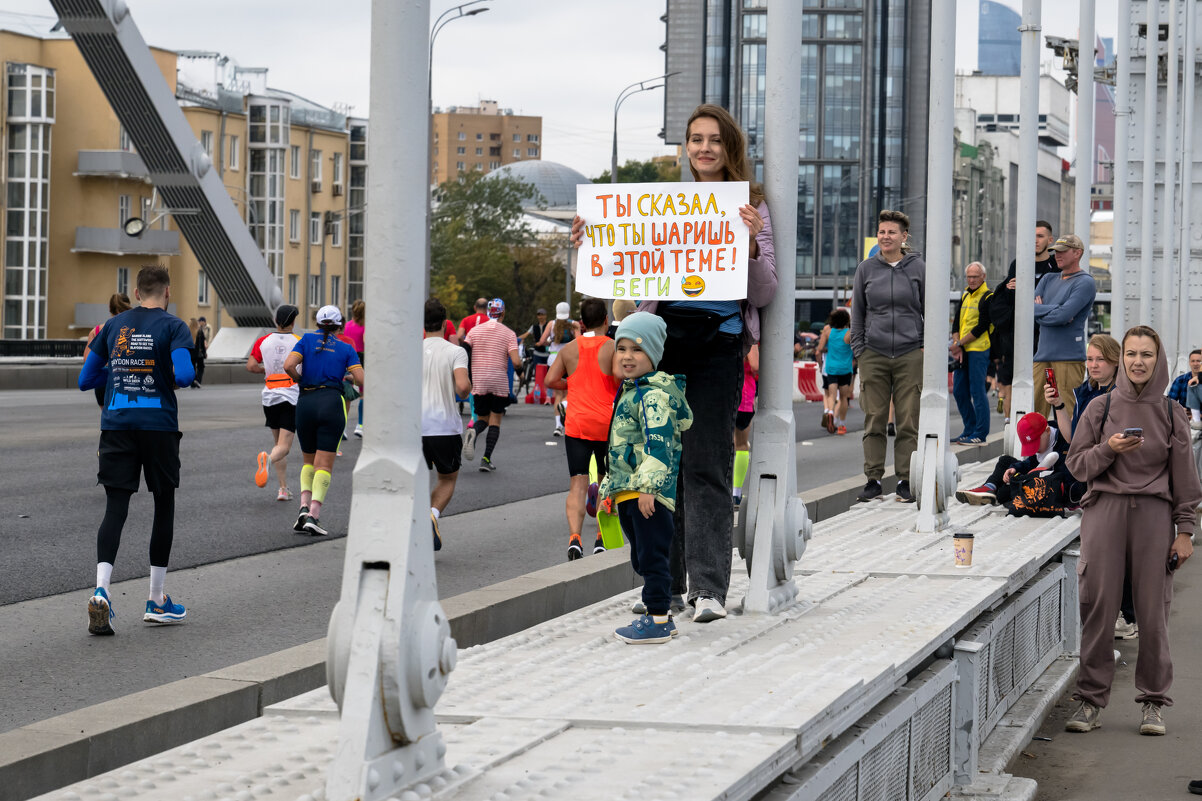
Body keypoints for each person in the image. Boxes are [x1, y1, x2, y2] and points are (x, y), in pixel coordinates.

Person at [575, 103, 776, 623]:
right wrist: (590, 243)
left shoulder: (750, 206)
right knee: (660, 467)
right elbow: (624, 273)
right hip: (664, 345)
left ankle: (708, 588)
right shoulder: (665, 205)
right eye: (696, 139)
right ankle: (666, 585)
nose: (704, 148)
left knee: (707, 464)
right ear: (686, 147)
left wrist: (752, 245)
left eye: (714, 139)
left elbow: (764, 291)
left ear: (729, 147)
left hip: (718, 346)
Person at [1063, 325, 1201, 737]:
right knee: (1098, 609)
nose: (1138, 362)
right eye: (1131, 354)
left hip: (1154, 518)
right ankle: (1090, 700)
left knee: (1153, 613)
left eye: (1147, 354)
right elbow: (1077, 466)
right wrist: (1109, 449)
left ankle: (1154, 702)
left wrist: (1185, 531)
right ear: (1121, 358)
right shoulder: (1099, 408)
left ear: (1159, 361)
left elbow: (1186, 480)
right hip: (1104, 512)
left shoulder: (1171, 413)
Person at [77, 265, 195, 635]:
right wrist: (157, 374)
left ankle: (101, 591)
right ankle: (156, 600)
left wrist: (119, 372)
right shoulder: (174, 326)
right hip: (158, 426)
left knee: (115, 508)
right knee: (163, 504)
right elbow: (185, 375)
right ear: (167, 292)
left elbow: (85, 379)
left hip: (116, 425)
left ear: (137, 291)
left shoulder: (113, 326)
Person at [599, 313, 693, 643]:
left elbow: (659, 445)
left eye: (637, 349)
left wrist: (649, 488)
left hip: (647, 493)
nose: (627, 356)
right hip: (630, 490)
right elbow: (620, 445)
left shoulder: (652, 396)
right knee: (642, 556)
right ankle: (660, 613)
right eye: (622, 348)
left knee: (653, 556)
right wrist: (610, 487)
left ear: (653, 354)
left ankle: (658, 619)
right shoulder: (630, 391)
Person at [850, 209, 925, 503]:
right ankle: (873, 480)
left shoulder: (918, 268)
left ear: (904, 236)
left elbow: (930, 308)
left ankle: (905, 479)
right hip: (874, 353)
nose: (885, 236)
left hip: (910, 353)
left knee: (907, 420)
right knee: (874, 418)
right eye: (882, 232)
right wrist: (860, 350)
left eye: (892, 232)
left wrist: (924, 345)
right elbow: (858, 312)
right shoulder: (866, 269)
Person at [545, 298, 619, 560]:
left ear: (582, 322)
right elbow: (621, 378)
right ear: (606, 320)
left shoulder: (569, 349)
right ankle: (601, 537)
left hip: (576, 424)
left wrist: (572, 384)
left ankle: (575, 538)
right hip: (606, 424)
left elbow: (550, 380)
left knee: (577, 483)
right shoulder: (612, 346)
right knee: (606, 481)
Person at [283, 305, 364, 536]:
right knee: (325, 465)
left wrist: (301, 380)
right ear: (340, 325)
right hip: (331, 403)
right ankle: (314, 516)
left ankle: (303, 507)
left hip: (306, 402)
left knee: (308, 461)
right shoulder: (346, 347)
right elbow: (360, 379)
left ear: (317, 323)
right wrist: (345, 376)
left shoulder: (306, 340)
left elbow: (288, 365)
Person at [989, 220, 1058, 418]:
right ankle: (1011, 427)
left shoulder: (1056, 266)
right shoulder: (1018, 264)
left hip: (1046, 340)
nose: (1035, 240)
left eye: (1040, 236)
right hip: (1017, 340)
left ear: (1050, 240)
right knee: (1012, 385)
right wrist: (1007, 289)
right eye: (1032, 236)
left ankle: (1045, 427)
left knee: (1048, 388)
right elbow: (1006, 300)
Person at [422, 298, 471, 551]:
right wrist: (467, 387)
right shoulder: (455, 352)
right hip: (444, 426)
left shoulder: (411, 351)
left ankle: (417, 521)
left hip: (415, 427)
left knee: (417, 479)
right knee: (447, 478)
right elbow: (462, 387)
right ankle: (431, 515)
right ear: (444, 323)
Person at [1032, 234, 1096, 419]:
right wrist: (1057, 310)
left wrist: (1043, 311)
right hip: (1042, 356)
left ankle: (1069, 440)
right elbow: (1031, 310)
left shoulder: (1085, 282)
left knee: (1069, 412)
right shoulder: (1047, 279)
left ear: (1077, 253)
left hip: (1068, 358)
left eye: (1062, 251)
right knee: (1037, 414)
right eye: (1055, 252)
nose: (1057, 255)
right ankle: (1042, 441)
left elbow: (1062, 315)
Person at [954, 412, 1071, 508]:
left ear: (1048, 431)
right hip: (1034, 476)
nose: (1035, 450)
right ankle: (989, 487)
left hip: (1052, 483)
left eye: (1036, 445)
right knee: (1005, 460)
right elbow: (1030, 463)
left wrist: (1028, 477)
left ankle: (994, 491)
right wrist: (1014, 468)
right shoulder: (1042, 442)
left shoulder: (1064, 440)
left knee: (1003, 494)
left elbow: (1066, 475)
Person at [247, 304, 302, 501]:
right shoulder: (299, 342)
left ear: (275, 321)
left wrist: (267, 370)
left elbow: (251, 366)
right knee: (284, 447)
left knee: (278, 444)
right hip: (290, 396)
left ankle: (283, 489)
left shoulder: (263, 341)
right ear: (293, 322)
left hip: (269, 397)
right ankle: (267, 460)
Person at [462, 298, 521, 472]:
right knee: (495, 420)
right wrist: (521, 371)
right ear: (503, 313)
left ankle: (474, 431)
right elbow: (516, 361)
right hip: (498, 382)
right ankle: (486, 459)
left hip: (479, 380)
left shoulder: (474, 331)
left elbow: (464, 350)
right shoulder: (509, 333)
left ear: (488, 312)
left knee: (482, 419)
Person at [950, 262, 993, 444]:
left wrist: (959, 343)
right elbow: (956, 323)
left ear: (983, 277)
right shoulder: (966, 295)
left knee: (977, 391)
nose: (971, 280)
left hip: (978, 349)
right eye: (969, 276)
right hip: (963, 350)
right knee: (959, 391)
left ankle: (980, 432)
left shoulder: (988, 297)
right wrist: (957, 343)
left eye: (975, 276)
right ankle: (969, 429)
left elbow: (981, 326)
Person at [540, 301, 579, 436]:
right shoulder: (574, 324)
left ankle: (558, 426)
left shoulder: (551, 324)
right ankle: (565, 409)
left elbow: (542, 341)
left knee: (557, 394)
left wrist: (550, 342)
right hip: (569, 360)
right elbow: (580, 341)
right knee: (568, 393)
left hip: (553, 359)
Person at [87, 293, 132, 407]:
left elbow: (87, 360)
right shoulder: (134, 329)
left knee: (106, 415)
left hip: (104, 381)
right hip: (127, 379)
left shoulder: (97, 330)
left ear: (109, 308)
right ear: (128, 305)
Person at [816, 308, 853, 435]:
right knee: (843, 398)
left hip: (831, 368)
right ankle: (841, 425)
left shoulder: (828, 331)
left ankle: (830, 412)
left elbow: (819, 349)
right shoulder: (849, 334)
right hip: (845, 369)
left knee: (831, 395)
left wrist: (822, 362)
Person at [732, 343, 759, 504]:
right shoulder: (750, 338)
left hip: (725, 390)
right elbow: (755, 365)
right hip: (744, 393)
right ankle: (736, 492)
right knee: (741, 445)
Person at [344, 299, 366, 438]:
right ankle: (360, 425)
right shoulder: (365, 327)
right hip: (361, 358)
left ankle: (343, 428)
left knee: (346, 393)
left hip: (348, 358)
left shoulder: (347, 325)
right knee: (364, 394)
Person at [190, 316, 208, 388]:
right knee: (201, 367)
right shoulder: (200, 331)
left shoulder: (188, 332)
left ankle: (192, 383)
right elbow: (202, 344)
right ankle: (198, 380)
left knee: (192, 368)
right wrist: (204, 353)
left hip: (191, 353)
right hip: (199, 353)